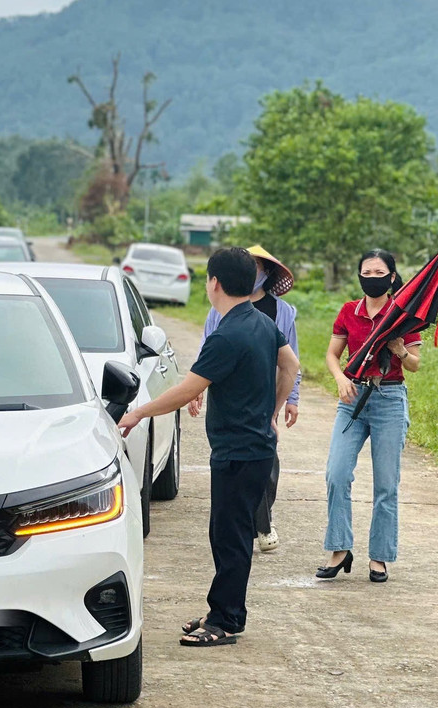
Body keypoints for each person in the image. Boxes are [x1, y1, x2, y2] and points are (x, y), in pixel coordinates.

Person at [119, 247, 300, 648]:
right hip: (255, 447)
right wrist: (272, 408)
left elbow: (188, 389)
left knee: (231, 536)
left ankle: (226, 621)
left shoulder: (228, 334)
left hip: (238, 452)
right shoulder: (260, 322)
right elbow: (290, 366)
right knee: (226, 532)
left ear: (214, 283)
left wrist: (139, 413)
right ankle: (221, 609)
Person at [318, 249, 421, 584]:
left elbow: (415, 363)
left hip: (389, 398)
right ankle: (339, 548)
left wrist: (399, 349)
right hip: (353, 398)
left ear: (392, 277)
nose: (372, 278)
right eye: (367, 273)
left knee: (386, 484)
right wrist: (340, 378)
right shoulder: (349, 311)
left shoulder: (404, 314)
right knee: (336, 473)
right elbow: (333, 354)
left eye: (380, 273)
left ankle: (379, 558)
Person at [189, 245, 299, 554]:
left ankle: (259, 520)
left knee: (266, 463)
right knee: (250, 461)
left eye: (258, 268)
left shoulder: (281, 313)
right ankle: (259, 524)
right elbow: (205, 351)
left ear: (265, 274)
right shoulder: (220, 312)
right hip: (235, 394)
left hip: (267, 392)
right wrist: (196, 389)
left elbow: (292, 361)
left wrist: (288, 400)